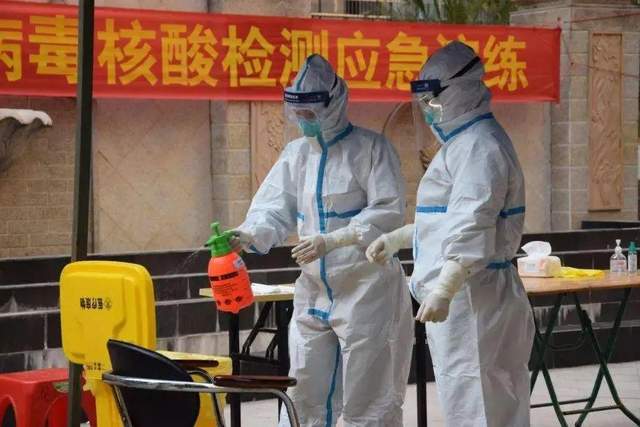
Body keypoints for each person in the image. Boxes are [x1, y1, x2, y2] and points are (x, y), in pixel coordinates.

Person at [230, 54, 413, 427]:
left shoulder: (371, 149)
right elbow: (274, 207)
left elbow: (388, 211)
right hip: (314, 290)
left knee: (368, 397)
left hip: (366, 289)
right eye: (299, 112)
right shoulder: (296, 155)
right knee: (304, 390)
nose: (304, 120)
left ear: (334, 104)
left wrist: (334, 240)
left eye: (310, 112)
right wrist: (248, 234)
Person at [366, 41, 535, 427]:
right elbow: (448, 220)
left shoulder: (479, 146)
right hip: (469, 293)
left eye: (433, 100)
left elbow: (473, 223)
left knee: (479, 405)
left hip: (472, 296)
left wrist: (444, 288)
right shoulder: (463, 144)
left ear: (462, 91)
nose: (428, 110)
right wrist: (399, 238)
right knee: (476, 401)